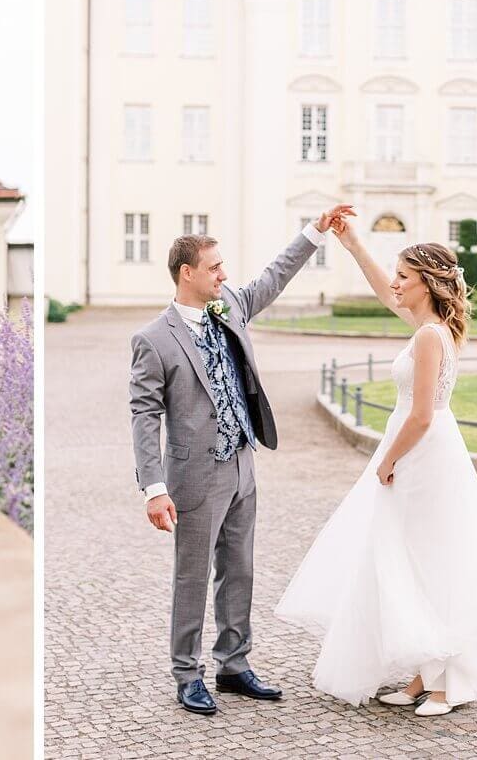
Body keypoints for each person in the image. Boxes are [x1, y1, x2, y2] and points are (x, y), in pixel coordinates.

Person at [274, 219, 477, 716]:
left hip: (422, 454)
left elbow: (422, 414)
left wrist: (388, 458)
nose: (395, 284)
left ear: (427, 283)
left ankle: (450, 684)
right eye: (395, 274)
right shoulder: (431, 330)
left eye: (403, 275)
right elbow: (383, 292)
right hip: (424, 451)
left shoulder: (427, 338)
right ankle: (425, 674)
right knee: (413, 556)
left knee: (433, 560)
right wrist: (353, 243)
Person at [129, 204, 355, 715]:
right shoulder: (153, 339)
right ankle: (187, 674)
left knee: (240, 569)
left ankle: (234, 663)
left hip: (241, 464)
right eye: (214, 267)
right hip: (192, 474)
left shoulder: (229, 302)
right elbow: (144, 414)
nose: (224, 274)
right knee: (191, 574)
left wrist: (315, 232)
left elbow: (272, 278)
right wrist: (154, 486)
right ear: (187, 274)